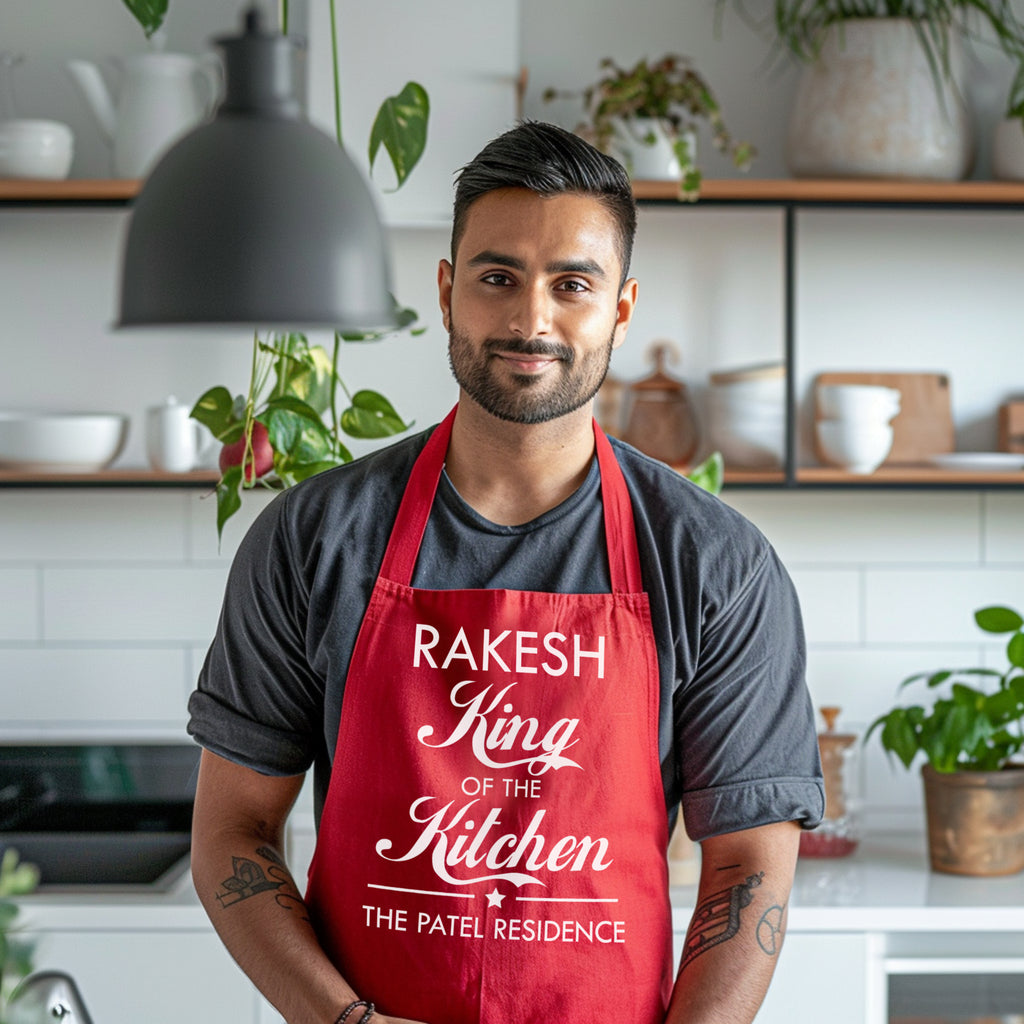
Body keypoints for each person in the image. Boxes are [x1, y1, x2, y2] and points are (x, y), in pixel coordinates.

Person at [187, 120, 824, 1024]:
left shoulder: (714, 562)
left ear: (622, 308)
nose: (532, 320)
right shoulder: (312, 538)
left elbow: (749, 867)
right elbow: (231, 832)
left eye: (573, 284)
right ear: (448, 293)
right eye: (498, 278)